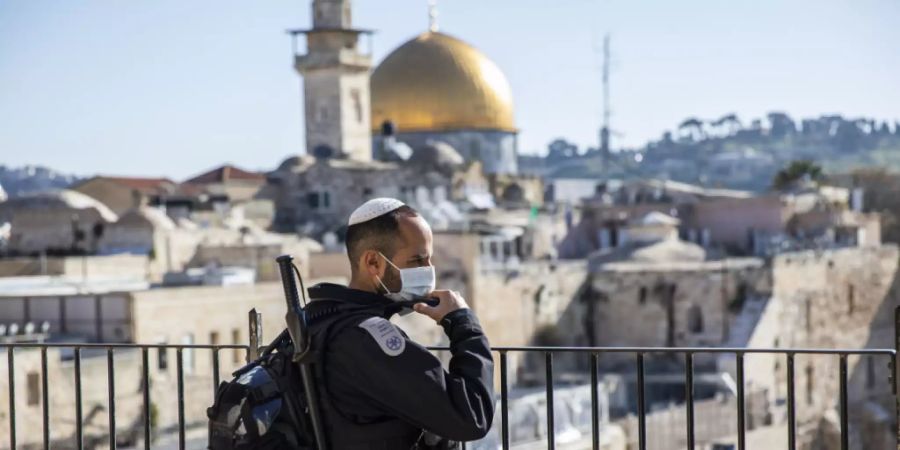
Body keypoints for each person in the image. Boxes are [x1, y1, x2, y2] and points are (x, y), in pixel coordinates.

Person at [302, 198, 494, 449]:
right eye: (417, 261)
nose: (429, 270)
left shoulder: (322, 322)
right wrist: (464, 324)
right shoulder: (366, 339)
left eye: (429, 260)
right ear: (373, 263)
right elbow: (471, 415)